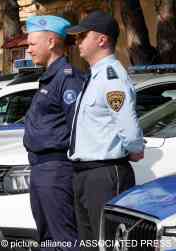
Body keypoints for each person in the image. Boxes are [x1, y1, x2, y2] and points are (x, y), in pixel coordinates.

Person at [66, 11, 145, 249]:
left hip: (104, 174)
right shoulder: (95, 77)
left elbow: (129, 128)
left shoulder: (112, 78)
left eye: (83, 36)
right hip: (85, 175)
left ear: (101, 40)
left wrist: (134, 149)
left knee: (109, 244)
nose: (78, 42)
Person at [22, 16, 84, 251]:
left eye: (32, 44)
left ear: (50, 42)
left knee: (63, 238)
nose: (28, 51)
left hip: (57, 169)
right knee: (47, 238)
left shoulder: (68, 78)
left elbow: (76, 126)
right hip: (41, 168)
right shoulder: (50, 77)